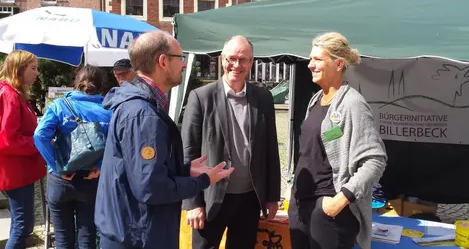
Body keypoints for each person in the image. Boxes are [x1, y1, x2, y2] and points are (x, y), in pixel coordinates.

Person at [95, 30, 234, 249]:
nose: (184, 65)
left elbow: (141, 171)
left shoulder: (143, 106)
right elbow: (149, 187)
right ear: (163, 61)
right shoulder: (143, 114)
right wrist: (203, 181)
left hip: (136, 230)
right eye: (180, 58)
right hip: (137, 236)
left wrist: (184, 170)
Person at [288, 32, 387, 249]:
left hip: (329, 213)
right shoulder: (316, 99)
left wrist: (340, 200)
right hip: (301, 205)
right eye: (310, 59)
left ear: (339, 63)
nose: (310, 65)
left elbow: (376, 160)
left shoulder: (352, 104)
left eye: (317, 59)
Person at [182, 35, 281, 249]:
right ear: (222, 59)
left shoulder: (263, 98)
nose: (237, 65)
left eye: (243, 59)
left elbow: (271, 150)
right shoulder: (200, 97)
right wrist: (192, 202)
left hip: (249, 199)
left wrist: (272, 196)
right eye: (232, 59)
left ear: (251, 63)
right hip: (211, 197)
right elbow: (188, 153)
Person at [34, 65, 111, 249]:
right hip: (91, 179)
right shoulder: (109, 111)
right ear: (101, 86)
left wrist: (57, 166)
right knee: (87, 238)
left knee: (63, 241)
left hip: (60, 182)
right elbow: (114, 145)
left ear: (76, 83)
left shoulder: (60, 105)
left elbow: (40, 135)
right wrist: (99, 165)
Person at [0, 50, 46, 249]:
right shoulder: (9, 95)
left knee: (23, 224)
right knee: (22, 225)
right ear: (19, 69)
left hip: (20, 169)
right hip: (15, 170)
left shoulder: (14, 93)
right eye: (33, 68)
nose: (37, 72)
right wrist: (40, 142)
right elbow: (8, 139)